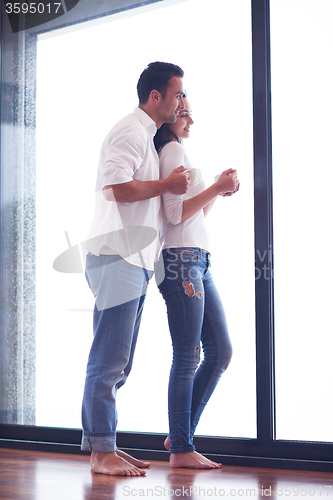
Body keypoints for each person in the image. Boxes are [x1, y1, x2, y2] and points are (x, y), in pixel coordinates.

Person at [81, 62, 189, 477]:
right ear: (156, 96)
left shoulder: (145, 135)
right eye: (178, 94)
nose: (182, 103)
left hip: (133, 260)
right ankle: (101, 453)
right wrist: (166, 186)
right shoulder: (130, 129)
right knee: (108, 360)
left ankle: (103, 446)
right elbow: (116, 188)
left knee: (118, 361)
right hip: (117, 254)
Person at [154, 97, 239, 469]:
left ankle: (181, 436)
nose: (190, 119)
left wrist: (218, 190)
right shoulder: (171, 150)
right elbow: (174, 216)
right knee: (189, 355)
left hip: (197, 259)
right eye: (184, 112)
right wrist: (215, 186)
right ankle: (181, 449)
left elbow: (197, 213)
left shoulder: (179, 152)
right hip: (182, 260)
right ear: (170, 118)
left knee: (220, 351)